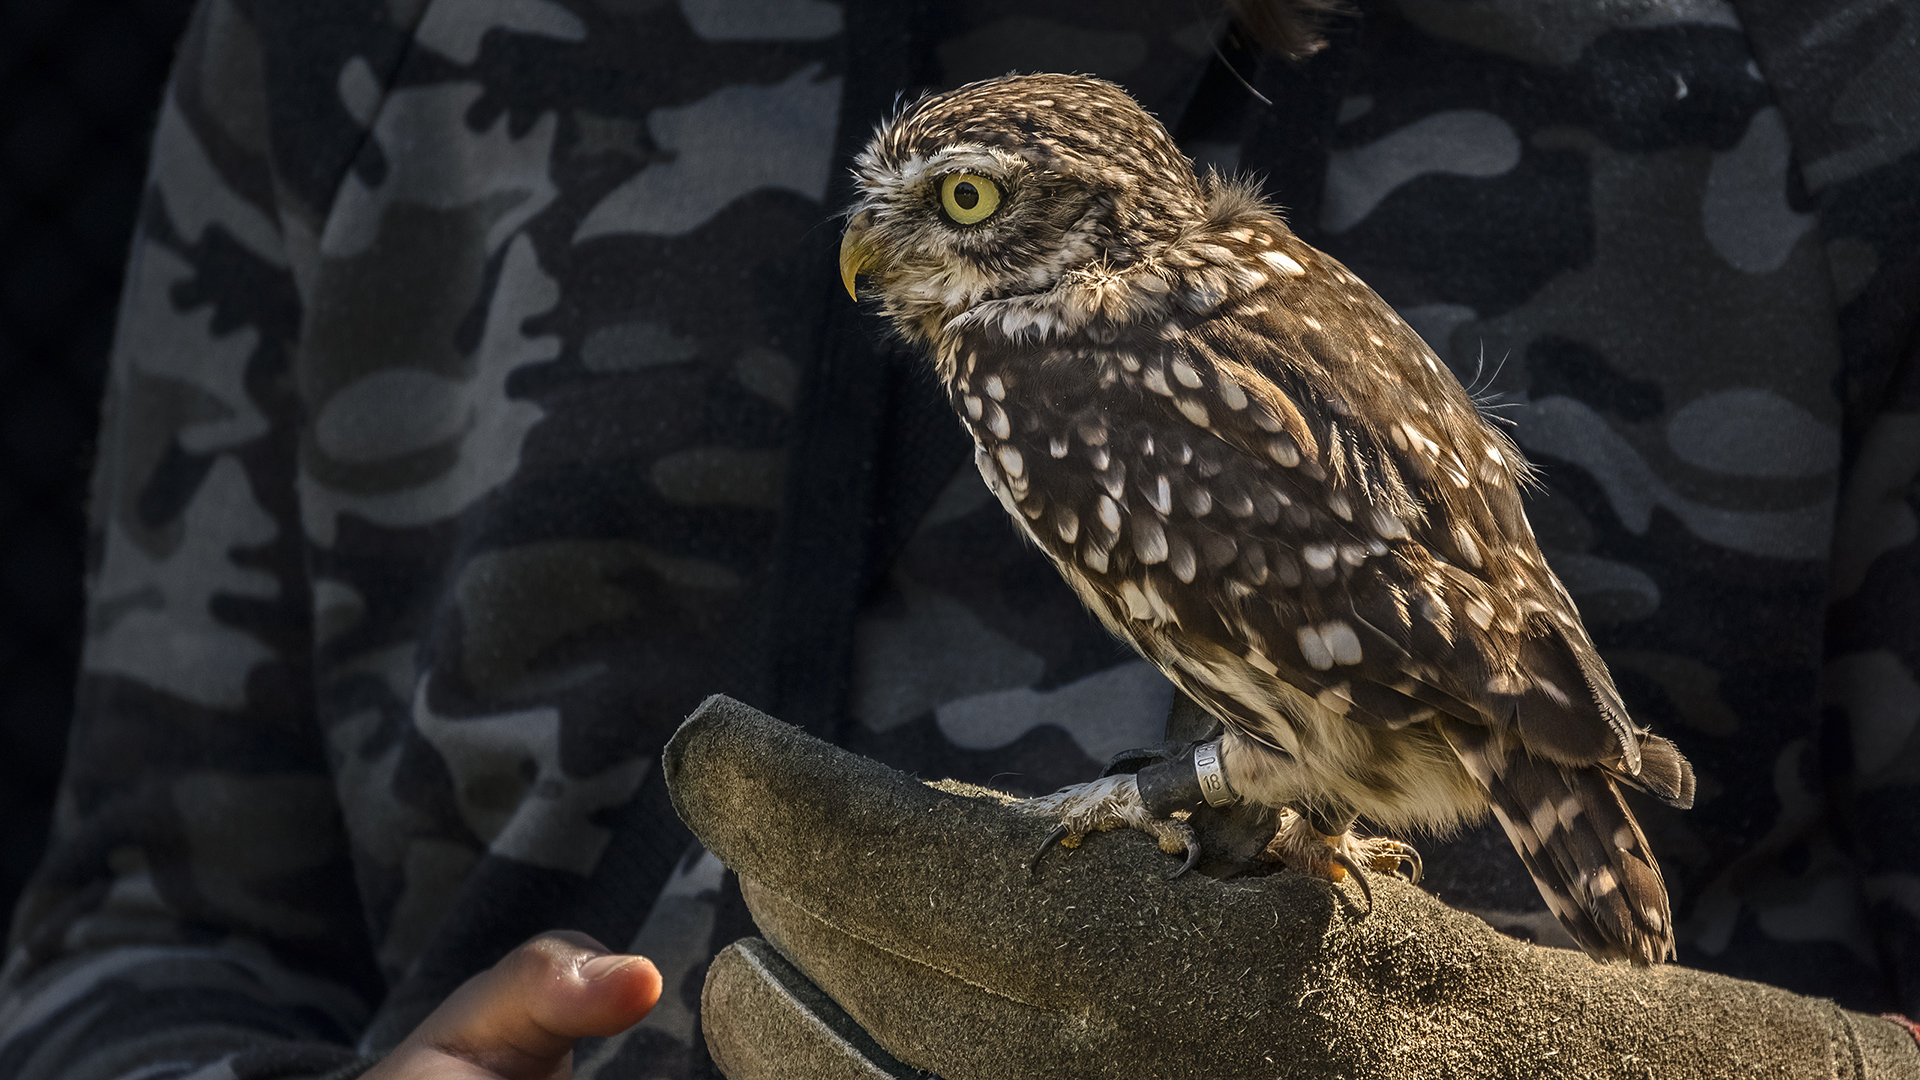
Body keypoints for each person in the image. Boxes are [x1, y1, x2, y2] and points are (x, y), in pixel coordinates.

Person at [2, 0, 1917, 1077]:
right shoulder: (358, 48)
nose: (883, 264)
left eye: (974, 206)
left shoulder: (1821, 69)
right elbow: (154, 937)